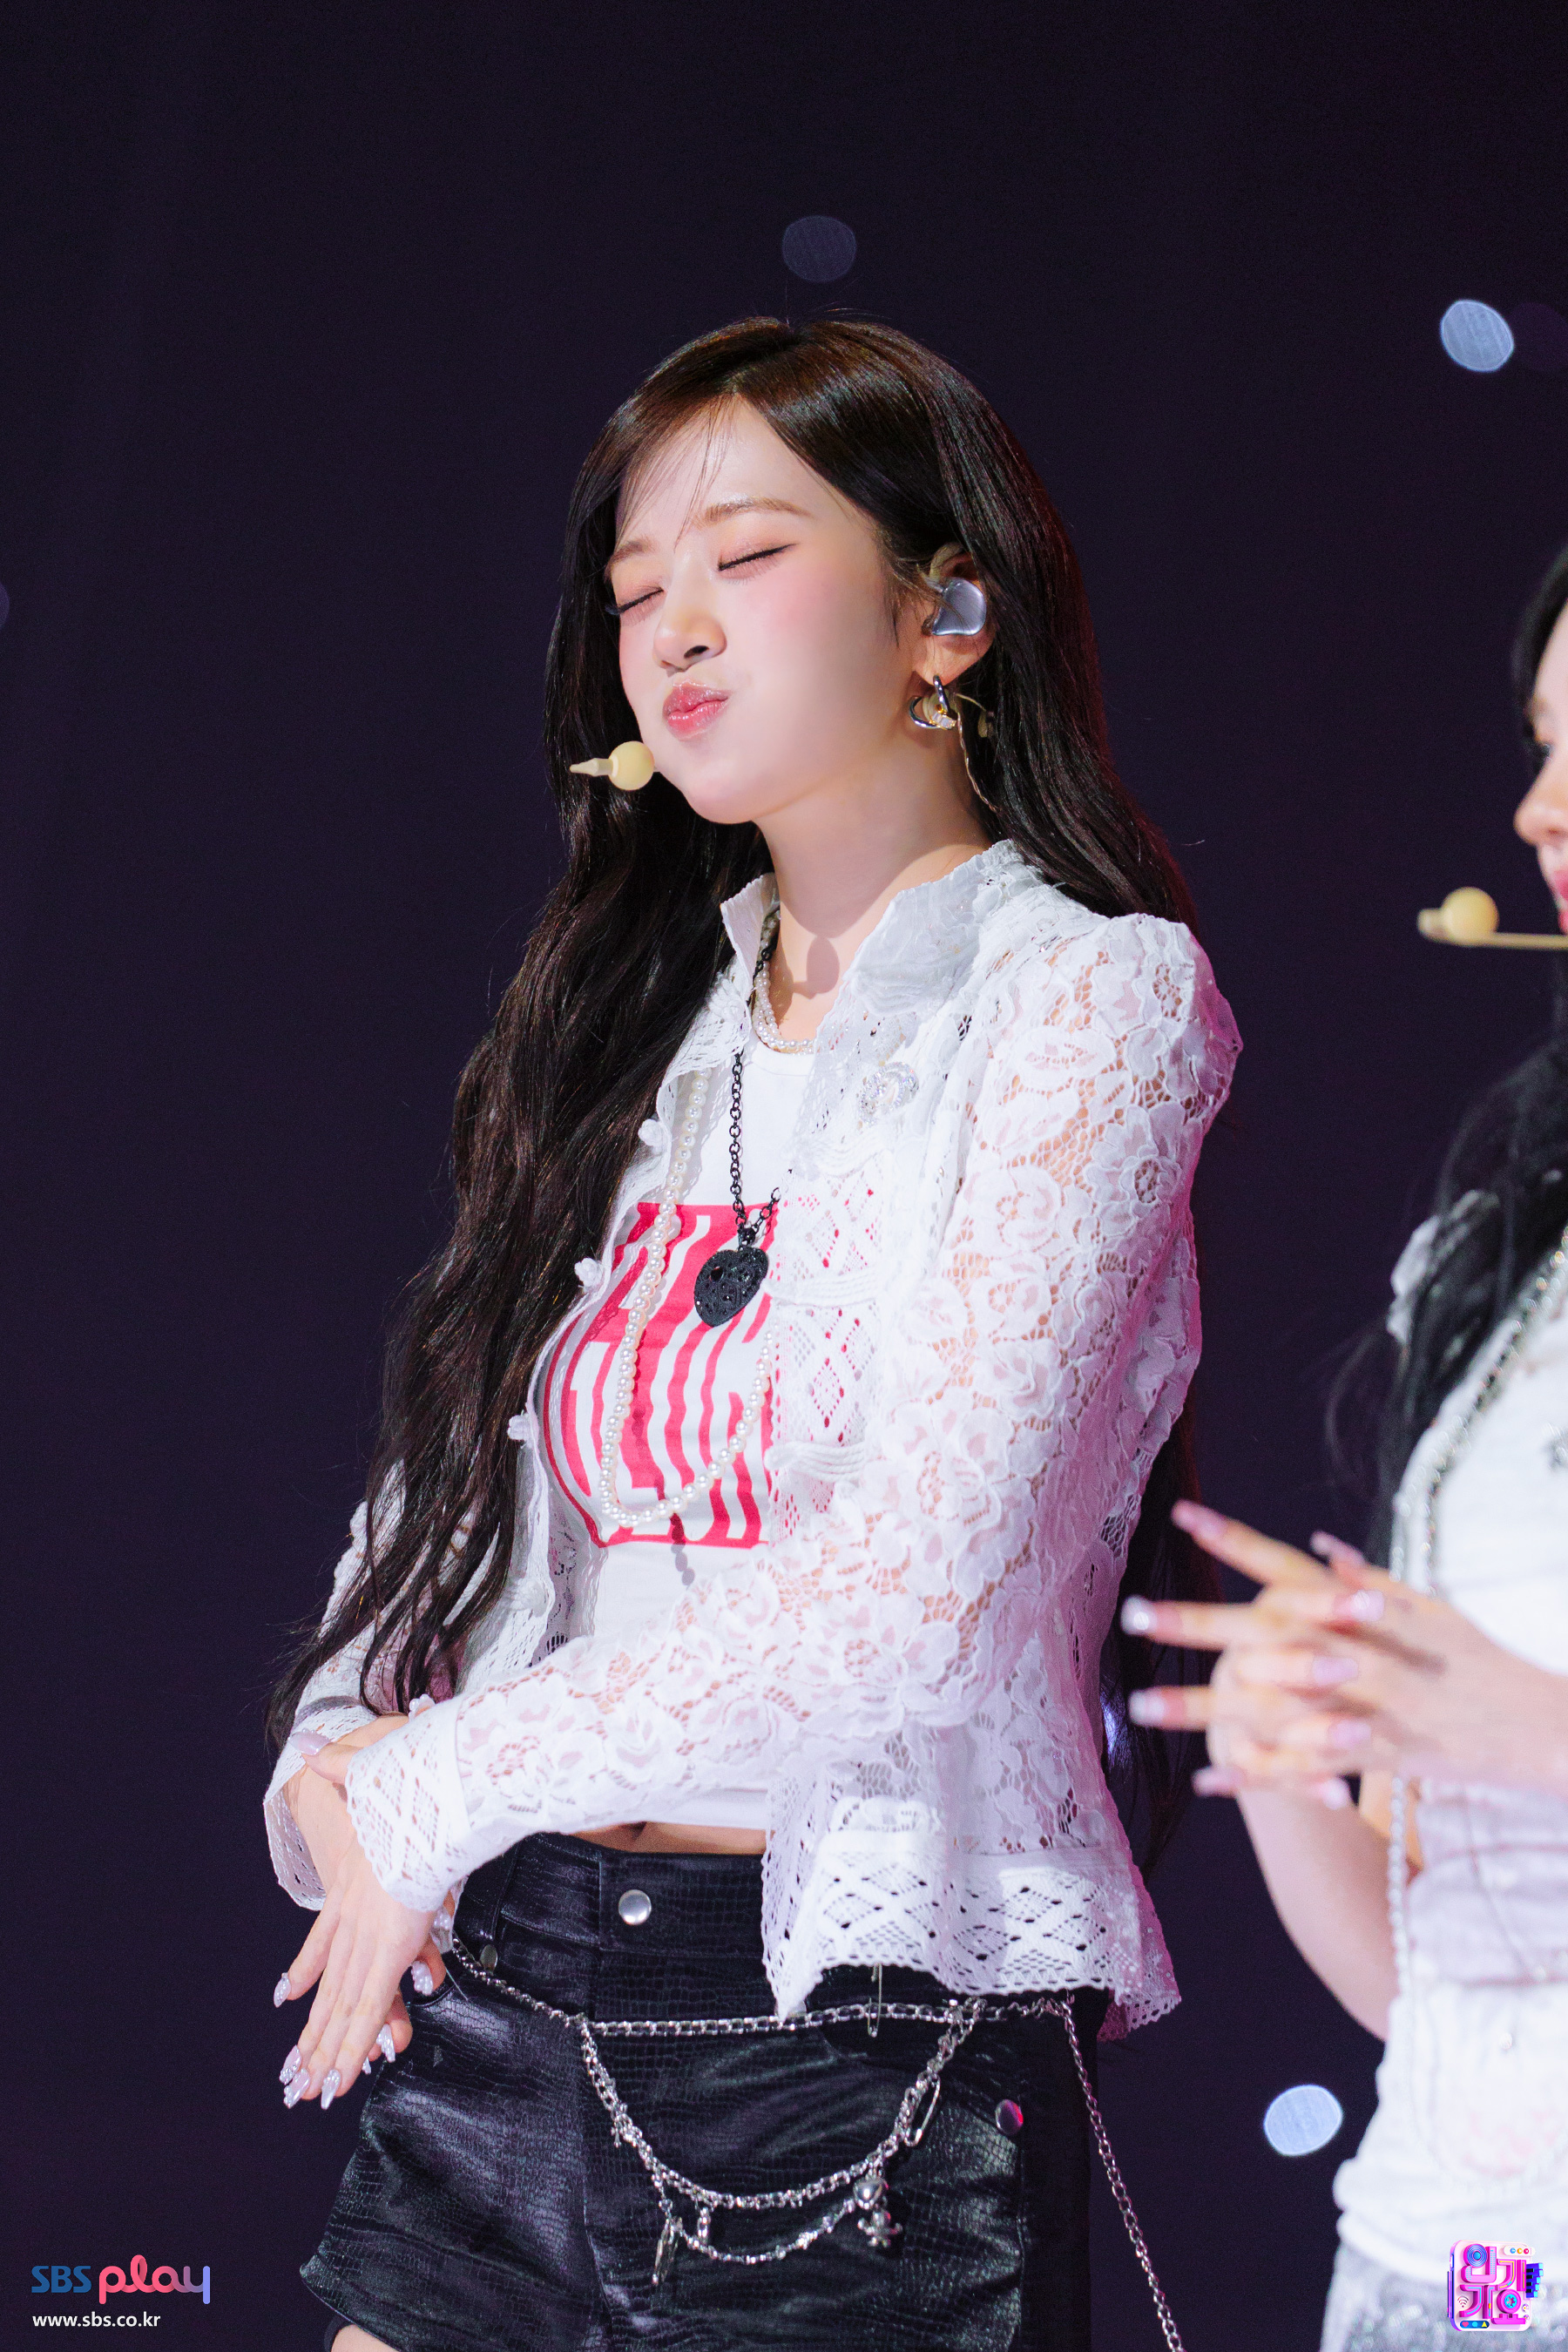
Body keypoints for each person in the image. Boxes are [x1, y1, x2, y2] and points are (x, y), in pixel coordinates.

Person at [262, 315, 1239, 2352]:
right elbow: (457, 1501)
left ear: (947, 614)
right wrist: (344, 1759)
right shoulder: (638, 1030)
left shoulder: (1092, 1006)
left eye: (749, 556)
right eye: (636, 591)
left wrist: (442, 1781)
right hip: (505, 1990)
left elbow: (917, 1594)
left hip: (850, 2053)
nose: (674, 630)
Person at [1122, 544, 1568, 2349]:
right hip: (1448, 2272)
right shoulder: (1499, 1252)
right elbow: (1439, 1990)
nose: (1538, 810)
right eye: (1543, 743)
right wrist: (1291, 1758)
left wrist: (1529, 1728)